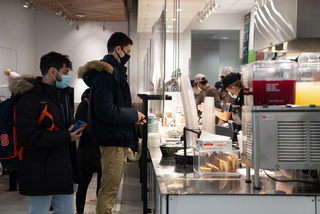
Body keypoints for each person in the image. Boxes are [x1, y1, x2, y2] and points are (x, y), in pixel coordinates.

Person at [78, 32, 146, 214]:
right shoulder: (106, 74)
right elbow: (106, 111)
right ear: (119, 49)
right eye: (128, 51)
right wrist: (133, 114)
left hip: (115, 138)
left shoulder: (111, 73)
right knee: (109, 192)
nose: (129, 55)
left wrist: (134, 116)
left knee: (109, 190)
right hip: (113, 139)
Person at [13, 51, 83, 214]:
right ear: (53, 72)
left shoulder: (61, 97)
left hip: (62, 172)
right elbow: (28, 138)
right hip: (38, 174)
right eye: (65, 72)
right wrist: (66, 136)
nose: (67, 77)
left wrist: (73, 129)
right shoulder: (29, 99)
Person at [75, 88, 102, 214]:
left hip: (100, 149)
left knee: (102, 185)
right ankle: (80, 211)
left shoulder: (99, 102)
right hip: (88, 149)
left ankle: (100, 210)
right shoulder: (85, 104)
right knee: (84, 183)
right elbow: (80, 128)